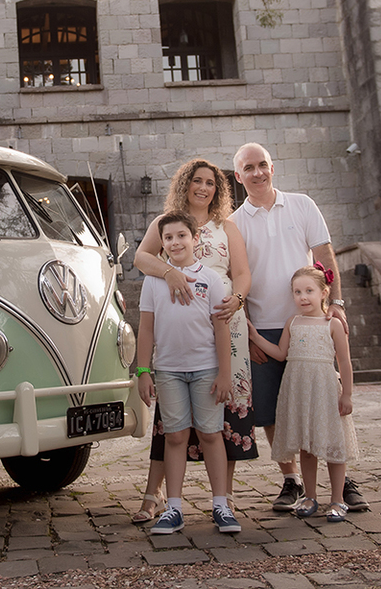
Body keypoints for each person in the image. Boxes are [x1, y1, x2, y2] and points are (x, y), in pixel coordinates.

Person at [228, 142, 368, 513]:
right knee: (274, 412)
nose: (257, 172)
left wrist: (336, 303)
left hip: (312, 325)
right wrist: (248, 332)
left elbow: (324, 256)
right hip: (265, 329)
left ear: (272, 168)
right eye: (248, 168)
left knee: (325, 406)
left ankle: (341, 481)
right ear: (238, 176)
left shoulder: (303, 205)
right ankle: (292, 480)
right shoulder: (234, 223)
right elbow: (235, 277)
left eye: (262, 165)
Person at [130, 159, 255, 523]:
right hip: (175, 326)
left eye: (210, 183)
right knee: (172, 422)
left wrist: (238, 300)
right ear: (185, 184)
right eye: (197, 181)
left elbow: (242, 273)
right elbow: (141, 258)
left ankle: (223, 498)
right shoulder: (167, 223)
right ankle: (159, 496)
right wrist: (170, 273)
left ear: (218, 189)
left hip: (224, 320)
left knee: (222, 415)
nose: (203, 188)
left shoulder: (226, 226)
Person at [248, 264, 359, 522]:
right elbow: (280, 354)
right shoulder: (293, 322)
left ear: (324, 292)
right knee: (306, 447)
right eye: (297, 292)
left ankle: (338, 500)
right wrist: (255, 336)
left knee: (333, 445)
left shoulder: (332, 324)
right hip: (300, 391)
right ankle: (310, 496)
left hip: (325, 390)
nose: (303, 297)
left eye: (309, 291)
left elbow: (344, 362)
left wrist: (347, 395)